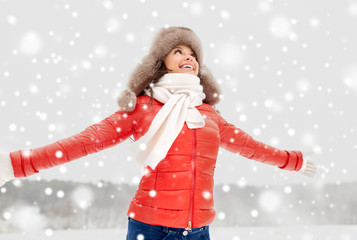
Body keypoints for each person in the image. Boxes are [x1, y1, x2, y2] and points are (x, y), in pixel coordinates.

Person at [0, 26, 317, 240]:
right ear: (161, 61)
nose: (188, 56)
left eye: (192, 53)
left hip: (198, 231)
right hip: (150, 229)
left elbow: (252, 147)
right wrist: (15, 164)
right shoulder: (143, 107)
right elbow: (85, 142)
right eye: (178, 51)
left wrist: (294, 161)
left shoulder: (208, 116)